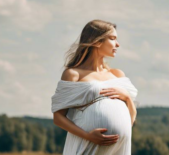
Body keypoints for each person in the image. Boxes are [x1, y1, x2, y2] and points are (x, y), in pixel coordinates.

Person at [51, 19, 138, 155]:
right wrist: (88, 136)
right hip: (89, 145)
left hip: (119, 148)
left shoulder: (117, 75)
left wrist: (127, 97)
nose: (117, 44)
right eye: (112, 38)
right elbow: (58, 118)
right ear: (97, 41)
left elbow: (131, 119)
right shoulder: (74, 74)